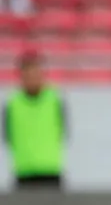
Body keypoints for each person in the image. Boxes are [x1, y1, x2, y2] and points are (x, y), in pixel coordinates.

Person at [3, 51, 68, 190]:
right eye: (28, 75)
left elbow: (64, 132)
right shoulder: (13, 104)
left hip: (51, 171)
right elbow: (8, 136)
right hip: (23, 172)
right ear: (21, 77)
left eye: (36, 74)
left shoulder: (55, 100)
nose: (32, 79)